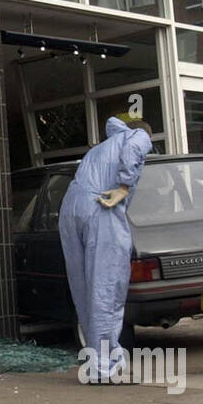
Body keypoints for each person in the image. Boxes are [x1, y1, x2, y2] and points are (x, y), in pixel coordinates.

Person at [59, 116, 154, 384]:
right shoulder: (137, 136)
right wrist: (124, 186)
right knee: (106, 288)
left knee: (84, 290)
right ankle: (105, 368)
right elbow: (136, 148)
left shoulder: (100, 147)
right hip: (101, 206)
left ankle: (97, 362)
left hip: (71, 208)